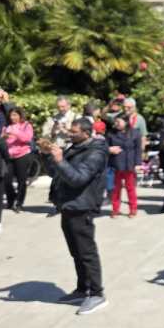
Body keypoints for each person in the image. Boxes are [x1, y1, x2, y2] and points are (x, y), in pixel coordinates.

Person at [48, 118, 109, 315]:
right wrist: (48, 156)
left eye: (74, 132)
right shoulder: (74, 147)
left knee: (86, 251)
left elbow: (78, 179)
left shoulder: (96, 152)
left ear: (86, 132)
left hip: (82, 206)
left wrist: (60, 160)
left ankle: (97, 294)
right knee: (75, 251)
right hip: (68, 205)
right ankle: (83, 288)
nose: (69, 134)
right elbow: (56, 172)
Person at [106, 115, 141, 218]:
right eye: (115, 122)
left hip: (129, 164)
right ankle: (115, 210)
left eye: (118, 122)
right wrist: (109, 149)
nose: (116, 124)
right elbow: (105, 146)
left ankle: (133, 209)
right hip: (115, 164)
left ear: (126, 122)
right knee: (116, 189)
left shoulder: (135, 132)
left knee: (130, 188)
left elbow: (138, 150)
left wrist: (138, 163)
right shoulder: (111, 133)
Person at [2, 107, 34, 213]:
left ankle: (19, 203)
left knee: (21, 180)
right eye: (11, 115)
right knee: (6, 179)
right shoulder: (7, 126)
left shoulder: (26, 125)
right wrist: (3, 137)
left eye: (15, 115)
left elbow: (27, 139)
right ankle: (11, 200)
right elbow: (4, 141)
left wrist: (16, 132)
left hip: (23, 155)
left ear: (20, 116)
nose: (13, 118)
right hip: (10, 156)